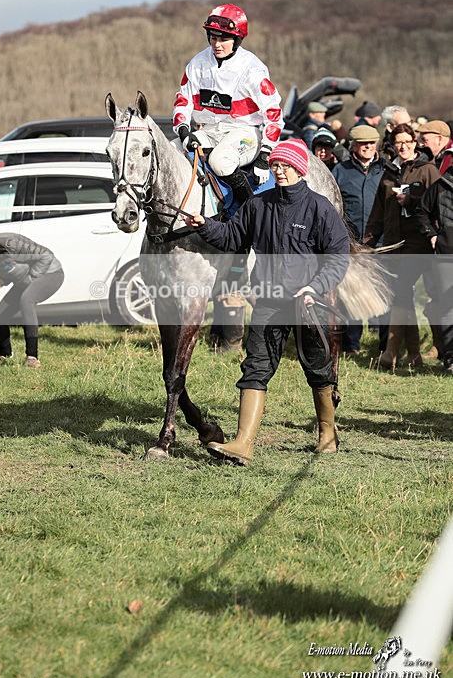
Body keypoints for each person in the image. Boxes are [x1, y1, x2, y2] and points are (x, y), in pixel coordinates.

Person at [184, 139, 350, 463]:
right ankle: (243, 444)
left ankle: (327, 434)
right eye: (276, 165)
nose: (280, 170)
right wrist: (205, 226)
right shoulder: (258, 205)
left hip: (308, 303)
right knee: (255, 368)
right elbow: (232, 236)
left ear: (301, 169)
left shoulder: (319, 208)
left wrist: (316, 287)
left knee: (319, 369)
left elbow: (338, 256)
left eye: (287, 165)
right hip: (268, 302)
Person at [172, 3, 284, 206]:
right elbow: (183, 100)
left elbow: (274, 114)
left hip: (244, 133)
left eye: (224, 39)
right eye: (213, 38)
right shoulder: (197, 64)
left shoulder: (253, 69)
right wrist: (182, 129)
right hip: (209, 131)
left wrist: (265, 155)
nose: (217, 44)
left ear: (237, 39)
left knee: (220, 161)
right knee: (172, 151)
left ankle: (250, 214)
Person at [363, 124, 441, 369]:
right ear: (392, 145)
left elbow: (439, 205)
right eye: (398, 142)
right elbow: (378, 213)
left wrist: (412, 201)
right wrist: (367, 244)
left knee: (401, 291)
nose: (403, 146)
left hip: (419, 244)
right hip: (393, 244)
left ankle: (390, 354)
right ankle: (414, 354)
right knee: (403, 295)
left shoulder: (427, 170)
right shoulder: (389, 172)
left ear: (415, 142)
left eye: (408, 141)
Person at [0, 210, 64, 368]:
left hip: (51, 273)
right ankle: (5, 355)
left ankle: (32, 358)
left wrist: (31, 279)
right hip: (26, 280)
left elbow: (46, 256)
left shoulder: (9, 242)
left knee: (26, 300)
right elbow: (11, 269)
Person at [332, 124, 386, 355]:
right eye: (363, 144)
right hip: (350, 241)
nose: (367, 147)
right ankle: (351, 345)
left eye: (371, 143)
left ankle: (384, 346)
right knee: (351, 293)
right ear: (352, 145)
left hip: (382, 241)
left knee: (384, 292)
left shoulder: (386, 170)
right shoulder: (340, 171)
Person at [418, 164, 453, 375]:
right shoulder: (439, 186)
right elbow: (421, 212)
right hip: (445, 255)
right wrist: (431, 235)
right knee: (449, 307)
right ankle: (450, 357)